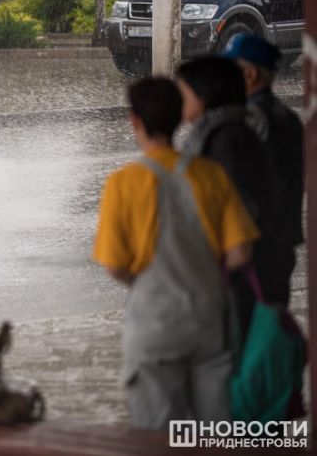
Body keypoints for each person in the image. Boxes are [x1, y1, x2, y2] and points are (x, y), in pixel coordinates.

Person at [93, 78, 257, 429]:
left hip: (154, 326)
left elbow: (114, 265)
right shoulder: (210, 174)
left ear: (134, 121)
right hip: (208, 320)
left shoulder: (122, 183)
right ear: (181, 117)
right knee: (216, 434)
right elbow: (241, 253)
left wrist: (151, 282)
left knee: (159, 438)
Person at [176, 56, 279, 337]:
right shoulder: (216, 132)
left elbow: (240, 207)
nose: (179, 97)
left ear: (204, 94)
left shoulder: (227, 139)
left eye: (183, 90)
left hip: (233, 273)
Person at [222, 33, 304, 306]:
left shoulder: (251, 119)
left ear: (249, 75)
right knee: (269, 322)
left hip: (256, 245)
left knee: (249, 329)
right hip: (279, 240)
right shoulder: (287, 116)